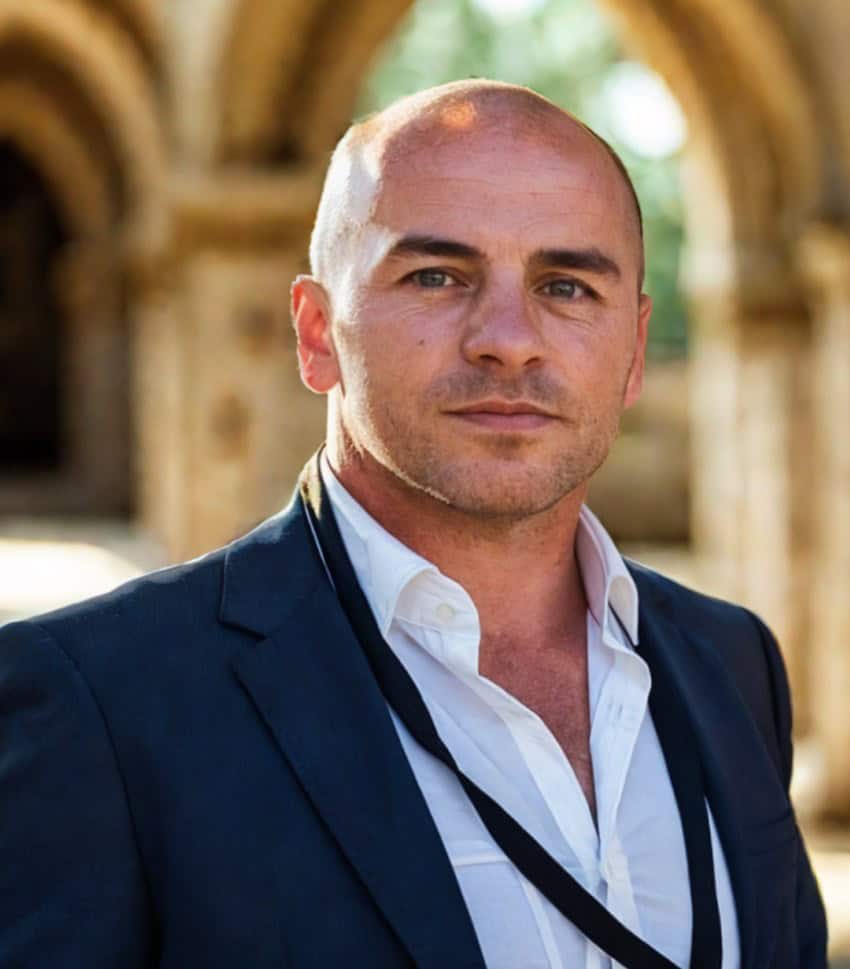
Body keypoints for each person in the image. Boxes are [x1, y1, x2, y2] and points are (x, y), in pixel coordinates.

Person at [0, 80, 827, 969]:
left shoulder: (733, 667)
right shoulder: (99, 703)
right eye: (437, 276)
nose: (508, 338)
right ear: (317, 334)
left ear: (633, 348)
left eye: (567, 285)